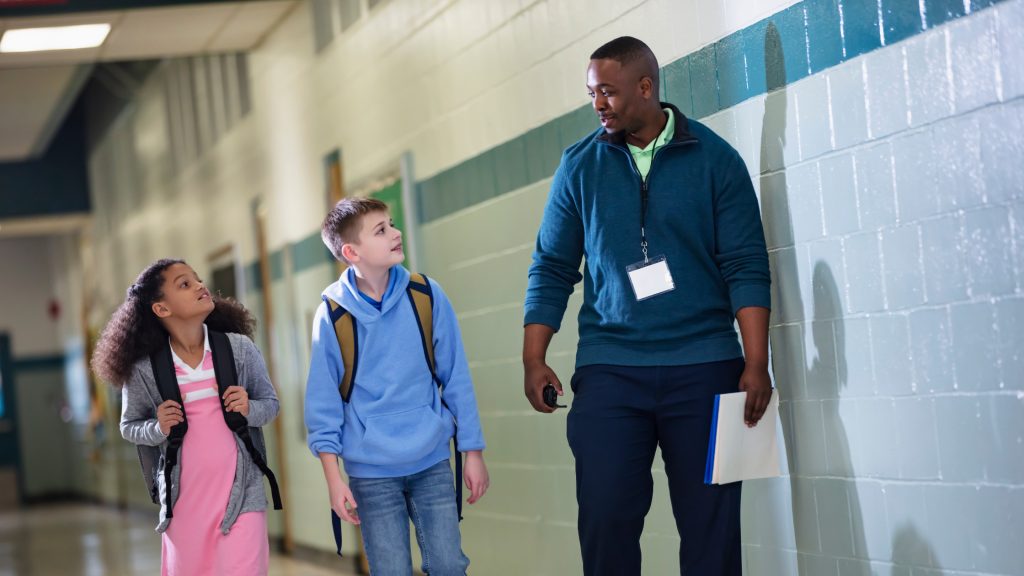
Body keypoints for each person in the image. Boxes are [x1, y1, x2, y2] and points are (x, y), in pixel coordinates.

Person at [523, 37, 772, 575]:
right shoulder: (579, 167)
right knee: (606, 520)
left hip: (705, 367)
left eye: (607, 92)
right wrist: (533, 356)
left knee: (712, 534)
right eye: (592, 93)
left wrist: (756, 363)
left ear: (645, 86)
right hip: (611, 369)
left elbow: (746, 265)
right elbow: (552, 266)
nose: (598, 105)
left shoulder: (714, 159)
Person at [305, 197, 488, 576]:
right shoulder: (332, 315)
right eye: (382, 229)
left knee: (449, 565)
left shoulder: (426, 295)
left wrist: (472, 451)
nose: (396, 232)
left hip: (431, 460)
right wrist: (333, 478)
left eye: (391, 224)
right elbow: (323, 405)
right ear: (351, 252)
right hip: (371, 474)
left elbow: (456, 379)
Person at [93, 258, 280, 576]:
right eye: (184, 284)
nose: (199, 285)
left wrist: (249, 408)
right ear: (161, 309)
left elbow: (271, 405)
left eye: (197, 279)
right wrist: (157, 426)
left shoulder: (239, 350)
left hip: (243, 496)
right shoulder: (145, 370)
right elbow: (129, 426)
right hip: (184, 506)